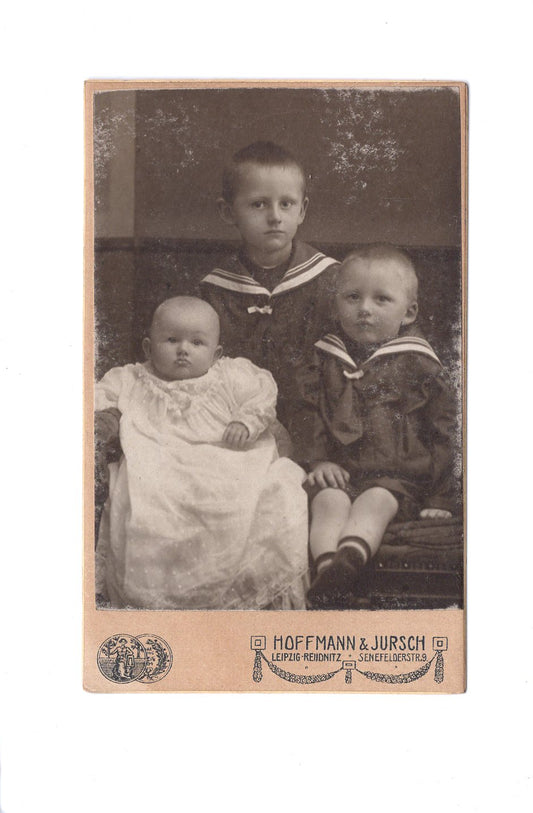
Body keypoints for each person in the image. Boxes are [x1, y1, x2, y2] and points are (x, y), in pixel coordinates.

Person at [94, 296, 308, 610]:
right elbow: (98, 401)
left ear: (216, 353)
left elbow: (260, 400)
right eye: (171, 340)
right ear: (147, 347)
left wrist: (245, 422)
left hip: (228, 458)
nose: (184, 349)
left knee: (260, 493)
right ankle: (163, 600)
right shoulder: (131, 379)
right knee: (150, 506)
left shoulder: (229, 377)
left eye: (197, 342)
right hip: (158, 462)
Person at [294, 245, 458, 609]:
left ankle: (348, 561)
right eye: (352, 297)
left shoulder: (421, 364)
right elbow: (310, 413)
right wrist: (319, 461)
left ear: (408, 311)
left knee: (375, 502)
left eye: (381, 299)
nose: (364, 308)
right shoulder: (324, 358)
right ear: (337, 304)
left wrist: (440, 497)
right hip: (340, 472)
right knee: (327, 501)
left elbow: (445, 433)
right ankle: (328, 575)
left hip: (394, 477)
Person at [200, 141, 339, 443]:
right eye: (259, 204)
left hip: (317, 426)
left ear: (302, 210)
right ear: (228, 212)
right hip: (237, 424)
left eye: (286, 203)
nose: (275, 216)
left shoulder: (332, 280)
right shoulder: (214, 290)